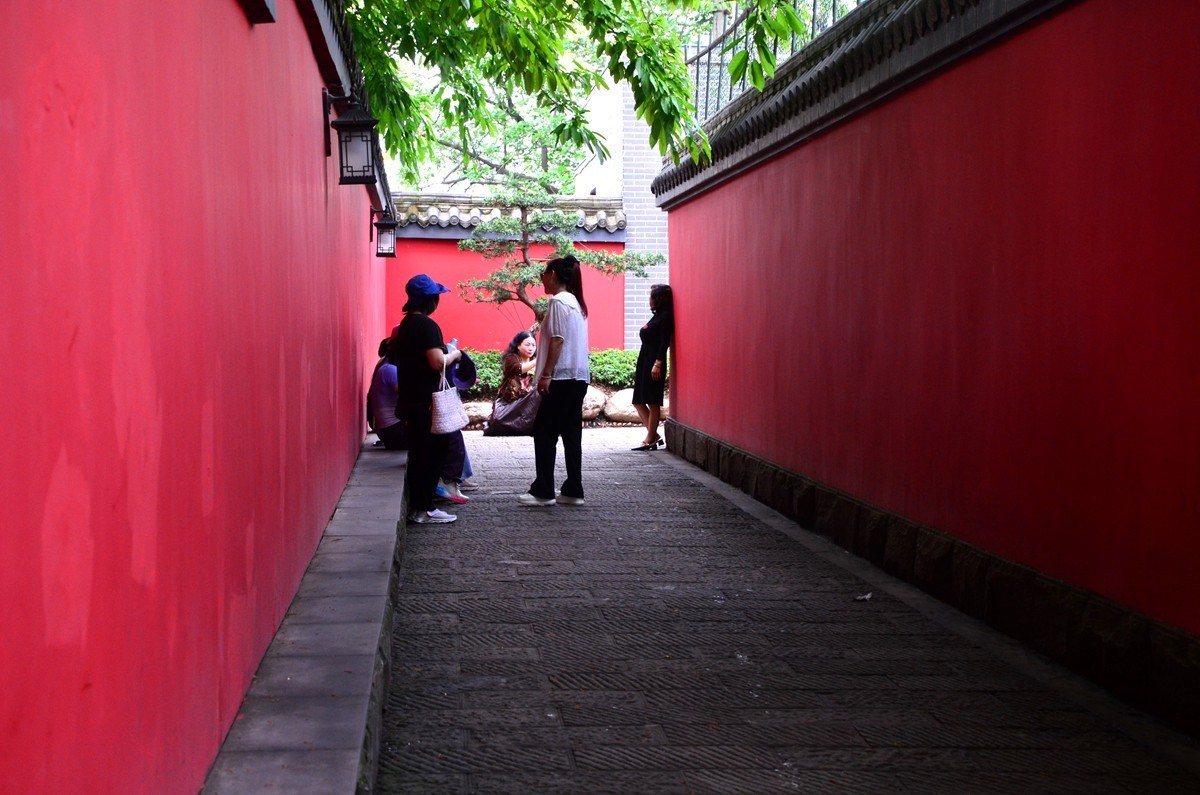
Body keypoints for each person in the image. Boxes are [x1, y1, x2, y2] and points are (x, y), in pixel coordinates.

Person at [388, 274, 462, 524]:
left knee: (419, 455)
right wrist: (455, 355)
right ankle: (425, 508)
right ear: (431, 300)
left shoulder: (405, 326)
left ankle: (420, 507)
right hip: (428, 403)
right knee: (433, 455)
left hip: (410, 401)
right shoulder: (427, 326)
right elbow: (437, 362)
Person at [519, 255, 590, 507]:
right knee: (571, 433)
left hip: (561, 377)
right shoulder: (577, 303)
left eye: (543, 273)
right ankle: (573, 489)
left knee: (544, 431)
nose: (541, 279)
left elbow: (558, 340)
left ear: (553, 275)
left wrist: (546, 374)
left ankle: (544, 490)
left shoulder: (559, 301)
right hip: (578, 377)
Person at [631, 283, 674, 451]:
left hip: (654, 363)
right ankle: (653, 435)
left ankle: (650, 439)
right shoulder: (657, 316)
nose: (649, 300)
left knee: (652, 401)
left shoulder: (665, 317)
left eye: (651, 297)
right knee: (638, 401)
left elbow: (664, 343)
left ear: (659, 299)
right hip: (645, 361)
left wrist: (658, 363)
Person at [367, 337, 408, 450]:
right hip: (394, 433)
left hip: (390, 432)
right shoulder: (390, 370)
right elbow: (409, 395)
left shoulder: (386, 367)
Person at [500, 330, 538, 400]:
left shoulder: (534, 359)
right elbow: (517, 369)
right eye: (527, 345)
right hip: (511, 399)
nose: (531, 348)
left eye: (533, 345)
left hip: (530, 400)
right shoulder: (511, 358)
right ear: (518, 346)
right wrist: (537, 361)